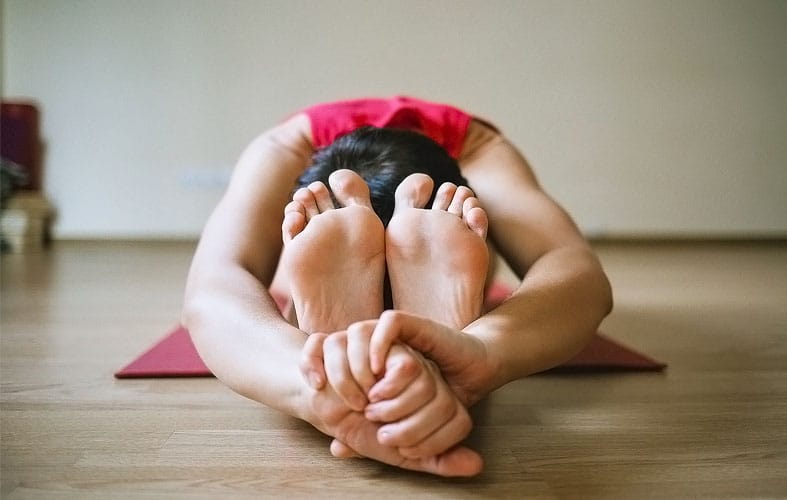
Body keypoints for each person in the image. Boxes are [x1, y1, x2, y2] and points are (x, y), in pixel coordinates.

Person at [182, 96, 613, 477]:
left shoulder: (479, 152)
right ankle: (436, 318)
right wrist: (487, 351)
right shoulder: (282, 151)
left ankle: (330, 338)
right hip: (376, 193)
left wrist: (309, 381)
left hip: (419, 190)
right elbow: (578, 271)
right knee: (471, 240)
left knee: (269, 273)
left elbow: (213, 291)